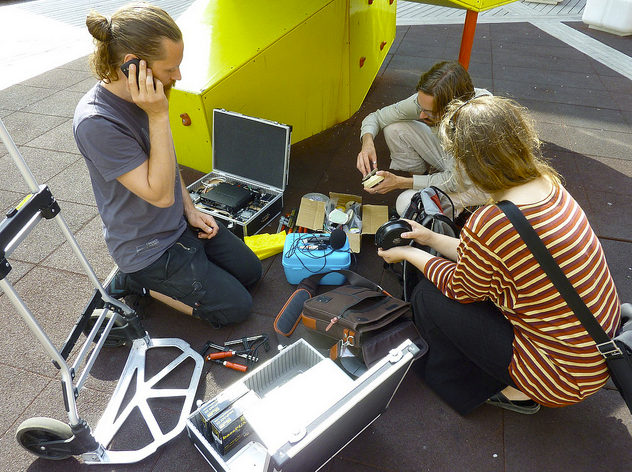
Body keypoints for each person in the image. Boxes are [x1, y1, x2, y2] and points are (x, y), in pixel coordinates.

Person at [378, 95, 621, 415]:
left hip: (559, 377)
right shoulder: (549, 184)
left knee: (427, 295)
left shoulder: (492, 220)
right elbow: (489, 257)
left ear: (469, 162)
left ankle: (511, 391)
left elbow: (459, 287)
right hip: (599, 352)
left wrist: (409, 254)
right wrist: (430, 237)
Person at [73, 3, 262, 328]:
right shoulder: (97, 122)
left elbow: (168, 161)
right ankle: (137, 281)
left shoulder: (146, 96)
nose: (178, 76)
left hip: (177, 223)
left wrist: (189, 208)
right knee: (236, 308)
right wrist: (159, 115)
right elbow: (160, 195)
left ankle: (182, 268)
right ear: (132, 65)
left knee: (252, 273)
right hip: (146, 249)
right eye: (170, 68)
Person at [357, 60, 490, 202]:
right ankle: (424, 186)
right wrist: (367, 143)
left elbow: (456, 182)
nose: (421, 115)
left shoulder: (477, 121)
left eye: (429, 112)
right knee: (394, 129)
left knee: (405, 202)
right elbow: (377, 117)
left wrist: (401, 182)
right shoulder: (429, 99)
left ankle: (449, 203)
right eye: (421, 108)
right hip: (452, 158)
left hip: (479, 180)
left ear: (452, 108)